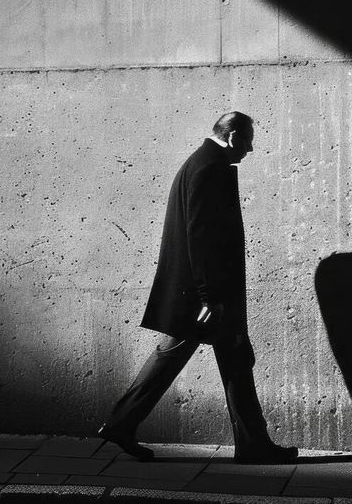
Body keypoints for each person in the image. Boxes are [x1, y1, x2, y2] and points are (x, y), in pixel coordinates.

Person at [97, 112, 297, 464]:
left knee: (229, 359)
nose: (250, 149)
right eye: (248, 140)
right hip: (209, 295)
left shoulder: (203, 162)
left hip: (209, 292)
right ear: (233, 136)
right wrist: (210, 297)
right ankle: (121, 422)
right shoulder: (210, 168)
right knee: (183, 356)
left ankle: (253, 444)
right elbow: (200, 236)